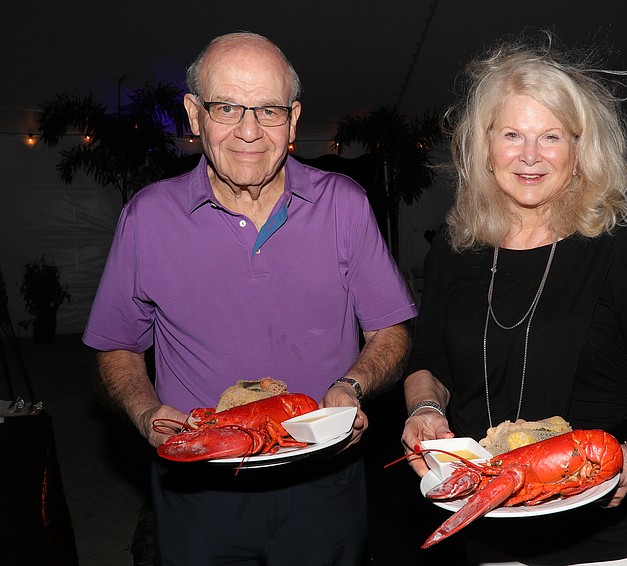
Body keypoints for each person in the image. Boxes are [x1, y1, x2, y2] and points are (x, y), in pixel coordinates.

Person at [82, 31, 417, 565]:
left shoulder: (344, 206)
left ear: (293, 119)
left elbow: (390, 329)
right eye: (226, 107)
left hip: (322, 482)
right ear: (194, 115)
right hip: (198, 487)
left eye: (268, 110)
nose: (248, 130)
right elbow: (116, 344)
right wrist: (145, 412)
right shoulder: (147, 218)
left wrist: (353, 385)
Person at [401, 34, 627, 566]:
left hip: (604, 528)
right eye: (512, 134)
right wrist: (423, 407)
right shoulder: (453, 246)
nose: (530, 156)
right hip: (489, 516)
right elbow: (429, 361)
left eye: (551, 136)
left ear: (579, 150)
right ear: (485, 146)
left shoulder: (618, 243)